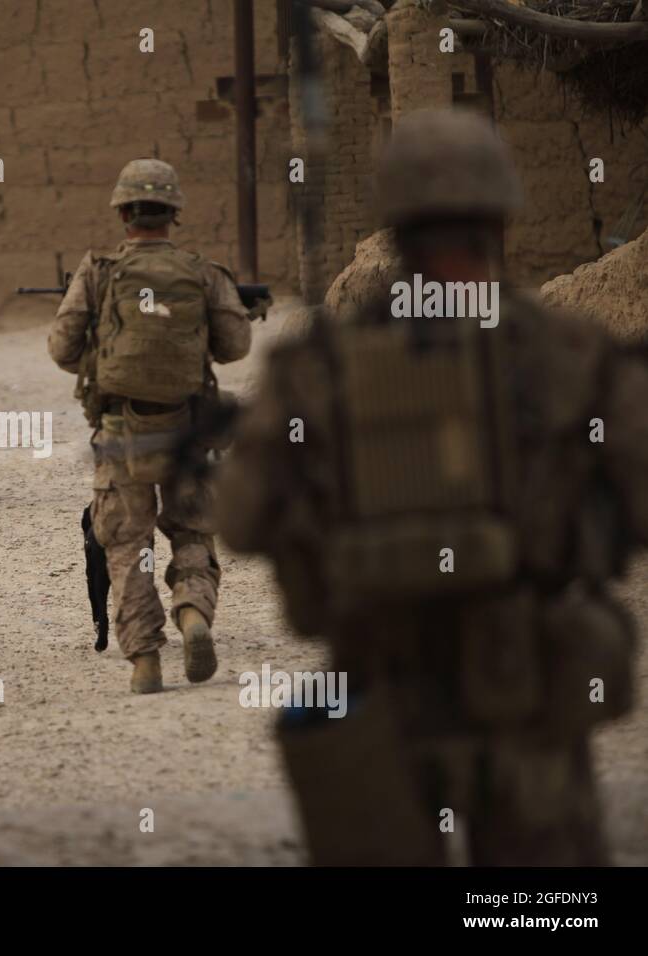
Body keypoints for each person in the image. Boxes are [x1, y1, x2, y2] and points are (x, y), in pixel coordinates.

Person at [215, 110, 648, 864]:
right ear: (500, 214)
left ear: (396, 225)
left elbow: (243, 519)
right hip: (526, 697)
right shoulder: (568, 354)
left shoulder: (319, 370)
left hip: (380, 697)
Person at [48, 159, 251, 693]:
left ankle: (145, 660)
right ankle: (193, 613)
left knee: (126, 543)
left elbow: (61, 348)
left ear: (122, 212)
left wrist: (102, 349)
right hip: (188, 430)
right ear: (174, 214)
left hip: (121, 432)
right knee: (192, 529)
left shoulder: (98, 271)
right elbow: (235, 347)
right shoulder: (203, 272)